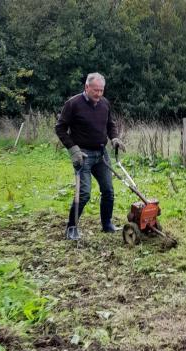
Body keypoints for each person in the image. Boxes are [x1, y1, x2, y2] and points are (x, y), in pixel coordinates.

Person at [55, 72, 125, 240]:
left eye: (101, 90)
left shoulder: (105, 104)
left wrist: (114, 138)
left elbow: (110, 124)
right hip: (83, 155)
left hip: (101, 154)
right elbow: (60, 128)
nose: (99, 94)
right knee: (84, 193)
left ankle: (107, 224)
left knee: (108, 190)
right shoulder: (73, 104)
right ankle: (71, 228)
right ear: (87, 87)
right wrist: (73, 149)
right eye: (95, 90)